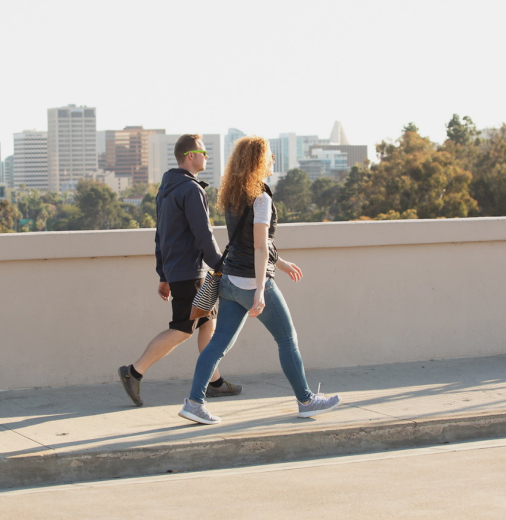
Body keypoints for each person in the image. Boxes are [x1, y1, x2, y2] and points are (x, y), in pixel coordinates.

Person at [178, 136, 341, 424]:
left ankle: (193, 402)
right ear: (258, 161)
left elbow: (248, 242)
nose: (272, 161)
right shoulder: (261, 197)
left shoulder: (234, 195)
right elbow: (258, 246)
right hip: (253, 282)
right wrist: (261, 291)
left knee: (218, 344)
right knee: (287, 339)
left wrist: (283, 263)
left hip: (229, 281)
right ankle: (306, 400)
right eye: (268, 156)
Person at [118, 134, 242, 406]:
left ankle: (214, 381)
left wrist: (163, 275)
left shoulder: (166, 189)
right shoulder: (191, 189)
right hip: (191, 271)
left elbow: (160, 235)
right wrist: (222, 264)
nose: (206, 157)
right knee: (183, 329)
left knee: (208, 322)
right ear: (191, 156)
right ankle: (134, 371)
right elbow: (204, 235)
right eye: (204, 153)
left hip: (180, 269)